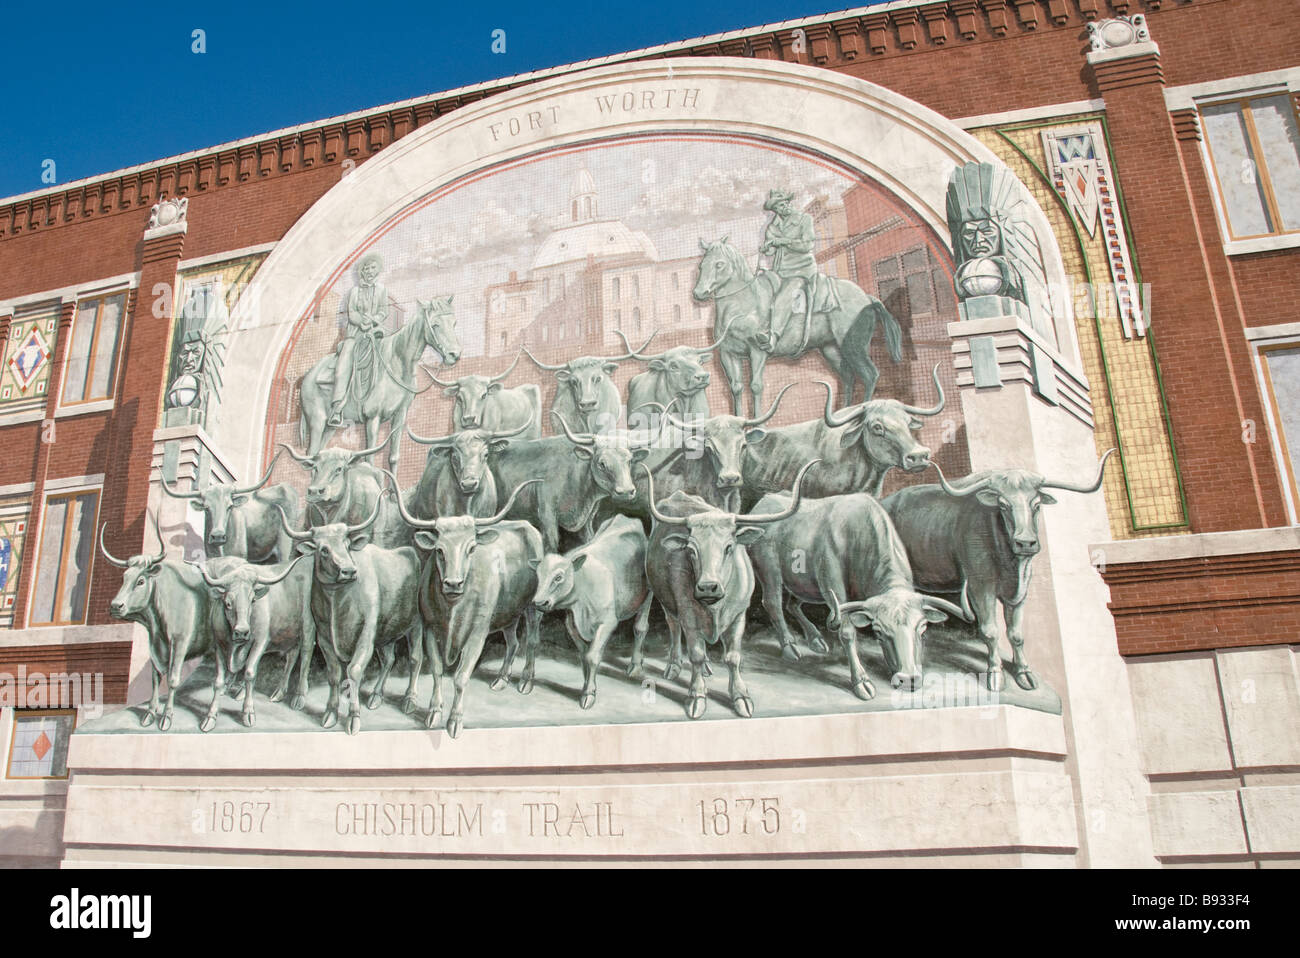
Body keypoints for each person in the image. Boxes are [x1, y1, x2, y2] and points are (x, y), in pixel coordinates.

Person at [329, 253, 389, 427]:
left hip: (375, 333)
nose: (369, 271)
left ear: (378, 270)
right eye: (366, 269)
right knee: (342, 366)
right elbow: (351, 312)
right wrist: (362, 321)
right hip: (355, 335)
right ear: (361, 272)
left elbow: (385, 311)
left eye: (372, 268)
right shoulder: (354, 291)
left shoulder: (382, 290)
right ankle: (337, 408)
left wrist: (374, 318)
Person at [755, 189, 817, 353]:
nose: (785, 207)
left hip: (801, 270)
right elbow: (771, 251)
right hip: (780, 271)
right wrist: (768, 248)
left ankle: (773, 337)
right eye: (779, 206)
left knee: (786, 294)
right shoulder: (772, 227)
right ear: (774, 210)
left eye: (785, 203)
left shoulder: (805, 220)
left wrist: (783, 241)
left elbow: (807, 245)